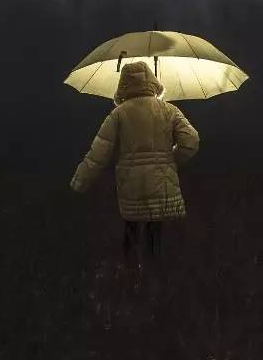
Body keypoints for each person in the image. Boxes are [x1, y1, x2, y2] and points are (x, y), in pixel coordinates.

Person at [70, 60, 200, 264]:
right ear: (152, 82)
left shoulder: (118, 114)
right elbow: (191, 142)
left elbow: (98, 154)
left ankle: (130, 282)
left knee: (130, 232)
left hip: (131, 187)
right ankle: (155, 282)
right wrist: (170, 162)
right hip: (161, 186)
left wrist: (79, 182)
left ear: (123, 85)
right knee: (155, 235)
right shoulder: (170, 111)